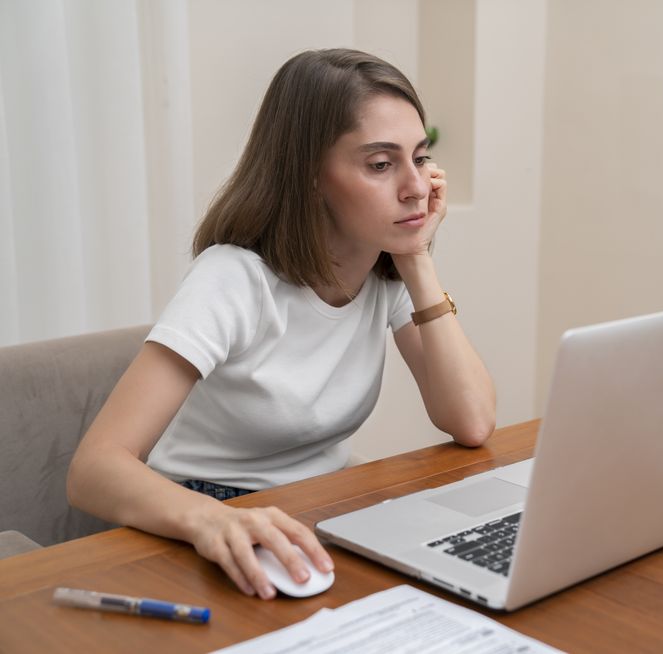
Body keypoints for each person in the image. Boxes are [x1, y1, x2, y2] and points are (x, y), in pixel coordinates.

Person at [66, 49, 496, 601]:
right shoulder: (232, 278)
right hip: (211, 512)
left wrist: (416, 258)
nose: (416, 187)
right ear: (311, 176)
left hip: (318, 506)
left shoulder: (383, 268)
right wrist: (209, 521)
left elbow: (472, 422)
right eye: (381, 164)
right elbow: (94, 469)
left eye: (421, 157)